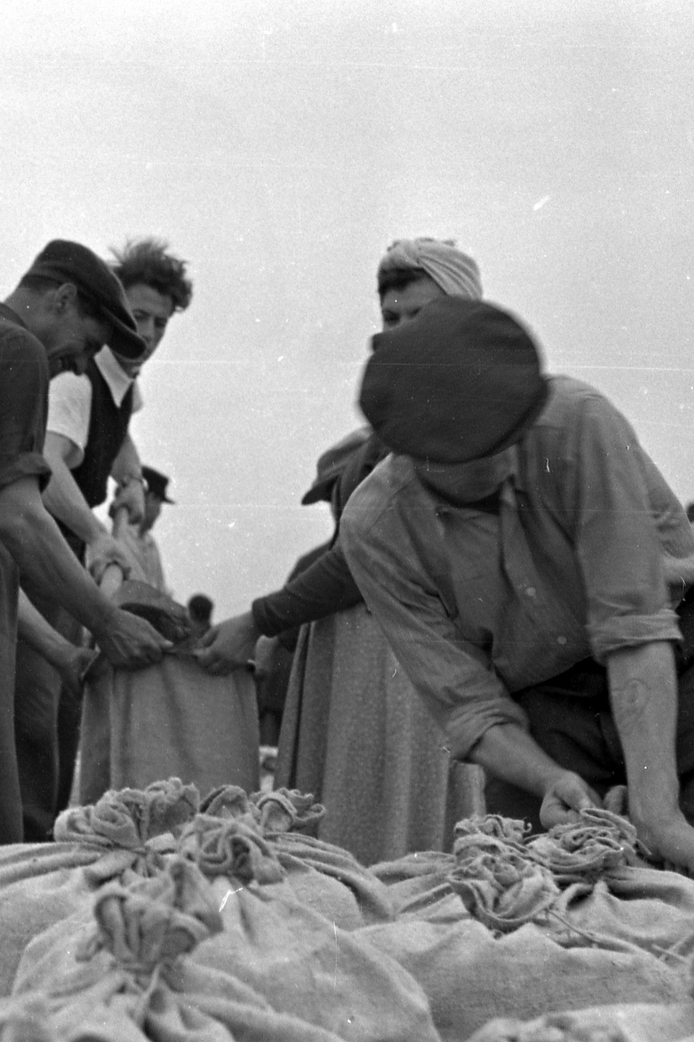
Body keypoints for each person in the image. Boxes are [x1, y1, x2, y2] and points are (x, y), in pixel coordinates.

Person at [343, 295, 694, 875]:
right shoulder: (376, 531)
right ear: (416, 453)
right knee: (541, 897)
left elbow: (633, 628)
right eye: (480, 451)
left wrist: (659, 815)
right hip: (543, 705)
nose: (508, 456)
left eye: (517, 430)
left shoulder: (578, 422)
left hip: (688, 656)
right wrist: (547, 777)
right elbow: (470, 706)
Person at [194, 238, 487, 862]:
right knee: (360, 830)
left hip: (401, 657)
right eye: (391, 317)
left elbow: (368, 557)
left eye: (422, 316)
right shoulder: (400, 419)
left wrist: (259, 619)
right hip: (363, 652)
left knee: (381, 838)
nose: (402, 332)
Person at [0, 239, 170, 847]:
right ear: (65, 298)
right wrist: (106, 618)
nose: (80, 362)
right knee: (9, 758)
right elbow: (20, 514)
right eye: (87, 342)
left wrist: (129, 473)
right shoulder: (21, 350)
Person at [14, 237, 193, 839]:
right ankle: (23, 844)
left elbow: (118, 435)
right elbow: (48, 465)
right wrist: (98, 534)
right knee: (35, 708)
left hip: (70, 558)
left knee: (67, 701)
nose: (146, 331)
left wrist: (134, 478)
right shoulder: (78, 380)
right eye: (136, 316)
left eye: (159, 322)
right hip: (41, 549)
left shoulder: (123, 381)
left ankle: (53, 835)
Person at [114, 465, 174, 594]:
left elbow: (160, 590)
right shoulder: (116, 531)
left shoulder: (151, 545)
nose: (159, 510)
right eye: (158, 501)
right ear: (149, 498)